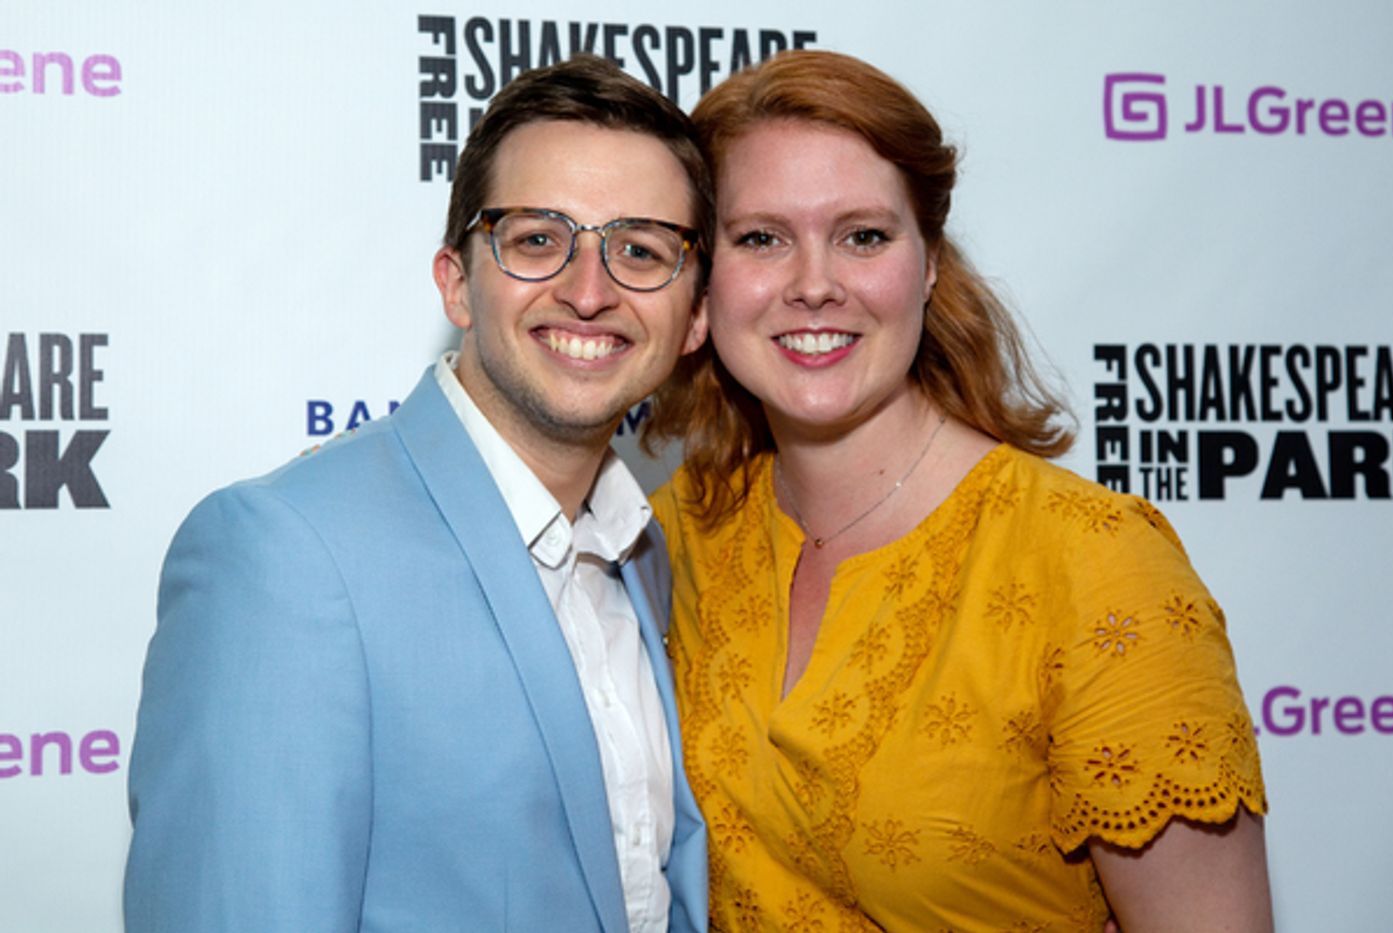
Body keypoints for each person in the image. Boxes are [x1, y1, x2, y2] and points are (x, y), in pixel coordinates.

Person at [646, 50, 1271, 932]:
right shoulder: (677, 533)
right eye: (761, 238)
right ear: (703, 277)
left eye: (863, 235)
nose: (814, 283)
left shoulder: (1092, 561)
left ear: (929, 263)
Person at [124, 55, 710, 933]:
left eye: (639, 250)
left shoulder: (644, 549)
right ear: (455, 282)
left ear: (695, 314)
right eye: (538, 239)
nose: (589, 292)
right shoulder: (283, 554)